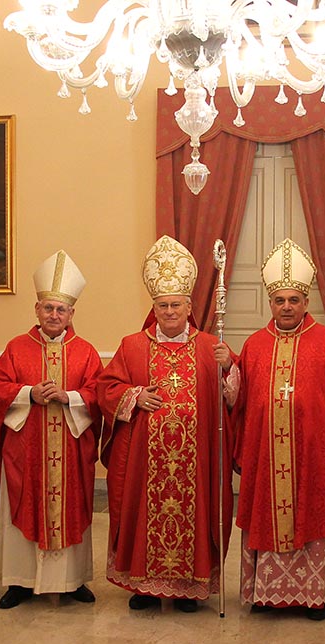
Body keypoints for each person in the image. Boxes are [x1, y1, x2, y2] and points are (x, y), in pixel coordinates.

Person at [97, 236, 235, 613]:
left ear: (189, 307)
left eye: (176, 305)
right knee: (143, 512)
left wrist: (229, 368)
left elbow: (233, 396)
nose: (170, 311)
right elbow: (107, 387)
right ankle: (144, 586)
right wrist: (134, 396)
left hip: (195, 461)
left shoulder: (210, 346)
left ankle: (190, 585)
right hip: (146, 463)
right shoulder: (132, 346)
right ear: (154, 307)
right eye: (163, 305)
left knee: (195, 514)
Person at [233, 239, 325, 621]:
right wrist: (225, 373)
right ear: (270, 303)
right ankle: (265, 594)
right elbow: (241, 399)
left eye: (294, 300)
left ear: (306, 301)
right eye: (280, 300)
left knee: (312, 514)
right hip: (266, 455)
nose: (286, 306)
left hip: (312, 455)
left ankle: (312, 597)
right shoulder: (254, 345)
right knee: (266, 514)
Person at [0, 250, 102, 609]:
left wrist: (70, 397)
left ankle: (72, 581)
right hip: (27, 451)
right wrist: (29, 394)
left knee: (71, 508)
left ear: (72, 314)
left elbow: (98, 394)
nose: (54, 315)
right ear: (36, 309)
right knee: (23, 506)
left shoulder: (86, 352)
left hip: (70, 453)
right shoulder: (16, 348)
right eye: (48, 308)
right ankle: (19, 581)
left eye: (61, 309)